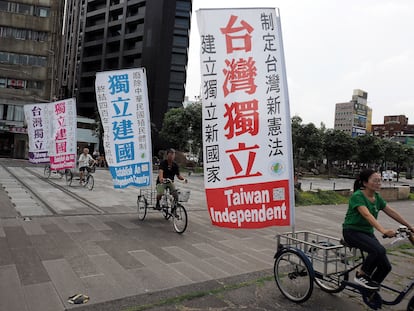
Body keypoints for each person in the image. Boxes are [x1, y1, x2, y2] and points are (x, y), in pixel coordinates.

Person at [342, 169, 414, 290]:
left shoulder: (376, 197)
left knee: (386, 266)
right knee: (378, 250)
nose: (379, 183)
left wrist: (410, 226)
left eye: (380, 180)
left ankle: (369, 292)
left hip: (367, 233)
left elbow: (391, 212)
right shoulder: (358, 196)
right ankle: (361, 275)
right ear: (365, 183)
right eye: (375, 180)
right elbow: (367, 215)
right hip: (352, 231)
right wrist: (383, 230)